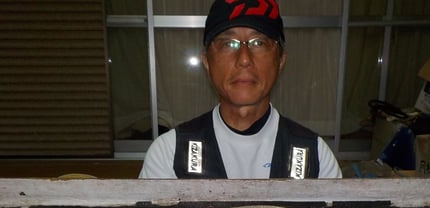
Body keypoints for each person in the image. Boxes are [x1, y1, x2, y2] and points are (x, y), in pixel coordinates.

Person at [139, 0, 342, 179]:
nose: (244, 59)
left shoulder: (315, 155)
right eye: (228, 43)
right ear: (207, 61)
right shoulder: (170, 153)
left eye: (258, 43)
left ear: (281, 60)